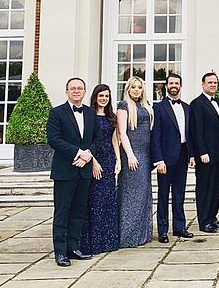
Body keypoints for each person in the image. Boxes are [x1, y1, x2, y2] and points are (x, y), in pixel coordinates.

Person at [47, 77, 99, 266]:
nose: (76, 91)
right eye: (73, 88)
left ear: (85, 92)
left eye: (80, 88)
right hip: (65, 170)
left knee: (78, 211)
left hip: (84, 170)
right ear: (67, 91)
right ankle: (60, 252)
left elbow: (97, 139)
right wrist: (78, 153)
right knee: (62, 212)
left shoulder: (91, 113)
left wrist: (88, 155)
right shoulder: (56, 113)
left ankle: (74, 247)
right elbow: (54, 140)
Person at [151, 73, 194, 243]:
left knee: (179, 193)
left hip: (183, 155)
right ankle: (162, 230)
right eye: (171, 83)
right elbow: (155, 136)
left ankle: (179, 227)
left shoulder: (187, 107)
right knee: (163, 194)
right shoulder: (158, 107)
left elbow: (189, 133)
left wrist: (191, 155)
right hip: (166, 158)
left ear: (180, 86)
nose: (174, 85)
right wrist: (158, 160)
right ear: (166, 86)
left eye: (177, 83)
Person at [80, 84, 120, 255]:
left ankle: (107, 241)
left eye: (107, 96)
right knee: (94, 201)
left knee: (108, 200)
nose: (104, 99)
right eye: (101, 95)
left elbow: (114, 140)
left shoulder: (112, 116)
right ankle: (93, 242)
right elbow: (86, 141)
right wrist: (94, 162)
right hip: (94, 160)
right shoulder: (89, 116)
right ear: (95, 97)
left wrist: (118, 160)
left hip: (109, 159)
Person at [117, 76, 154, 248]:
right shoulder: (124, 106)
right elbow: (122, 133)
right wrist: (130, 155)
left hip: (146, 154)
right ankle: (128, 235)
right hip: (133, 154)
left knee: (143, 193)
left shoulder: (145, 106)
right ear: (128, 89)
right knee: (131, 195)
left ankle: (142, 233)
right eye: (133, 87)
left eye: (139, 87)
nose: (137, 90)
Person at [190, 72, 219, 233]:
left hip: (218, 154)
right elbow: (197, 130)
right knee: (204, 188)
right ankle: (204, 221)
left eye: (215, 83)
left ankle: (212, 217)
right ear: (203, 84)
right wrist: (202, 152)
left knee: (216, 187)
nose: (213, 85)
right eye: (210, 82)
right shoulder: (197, 103)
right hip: (205, 155)